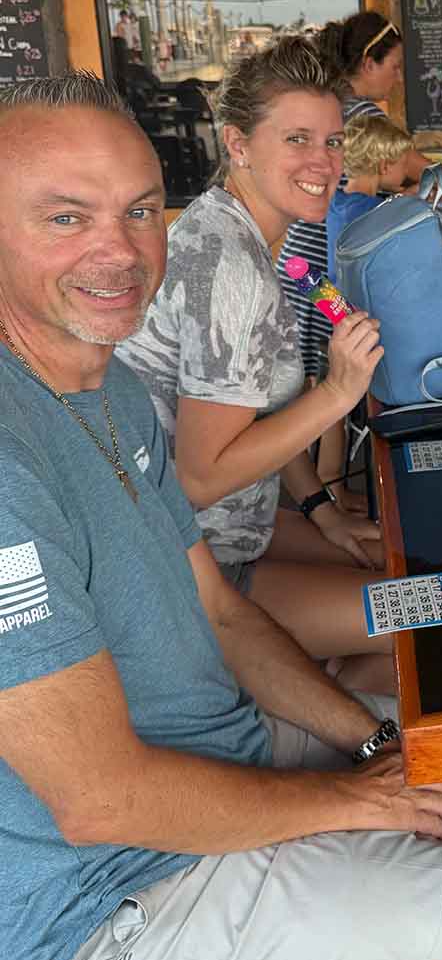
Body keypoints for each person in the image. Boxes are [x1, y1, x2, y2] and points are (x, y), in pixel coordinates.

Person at [0, 72, 442, 960]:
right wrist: (353, 802)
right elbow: (99, 802)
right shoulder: (11, 454)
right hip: (107, 893)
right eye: (65, 217)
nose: (119, 250)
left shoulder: (110, 389)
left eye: (139, 211)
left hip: (217, 751)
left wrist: (373, 746)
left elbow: (220, 609)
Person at [117, 38, 391, 670]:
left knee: (392, 563)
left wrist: (321, 509)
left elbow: (251, 413)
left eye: (333, 141)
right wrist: (338, 392)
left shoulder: (233, 231)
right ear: (238, 145)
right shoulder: (231, 268)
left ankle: (315, 681)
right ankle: (296, 700)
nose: (324, 161)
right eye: (297, 139)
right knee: (421, 621)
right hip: (188, 564)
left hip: (234, 529)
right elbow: (202, 476)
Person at [279, 12, 442, 385]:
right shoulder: (363, 115)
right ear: (368, 63)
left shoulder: (331, 108)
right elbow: (424, 170)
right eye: (395, 66)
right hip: (329, 273)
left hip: (303, 265)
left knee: (317, 377)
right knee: (344, 373)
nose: (399, 78)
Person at [325, 112, 413, 280]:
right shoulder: (378, 211)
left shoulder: (335, 201)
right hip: (365, 296)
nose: (407, 171)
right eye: (404, 165)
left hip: (336, 294)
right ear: (384, 166)